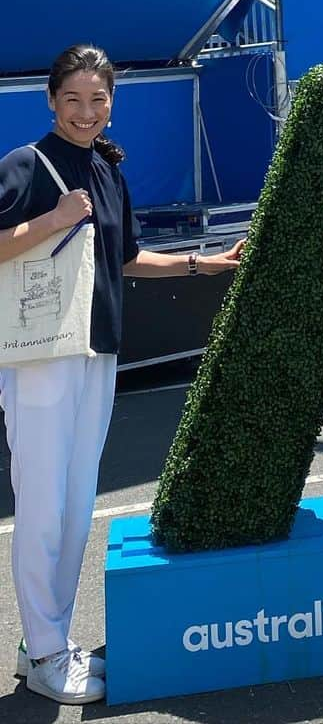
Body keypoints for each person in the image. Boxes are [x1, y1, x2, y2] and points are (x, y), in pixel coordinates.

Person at [0, 45, 243, 705]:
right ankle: (48, 651)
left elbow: (128, 257)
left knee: (76, 506)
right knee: (45, 506)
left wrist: (205, 263)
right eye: (73, 99)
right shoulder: (26, 164)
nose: (86, 111)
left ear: (112, 103)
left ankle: (42, 643)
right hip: (42, 355)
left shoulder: (107, 168)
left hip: (96, 349)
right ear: (51, 100)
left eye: (98, 99)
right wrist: (51, 219)